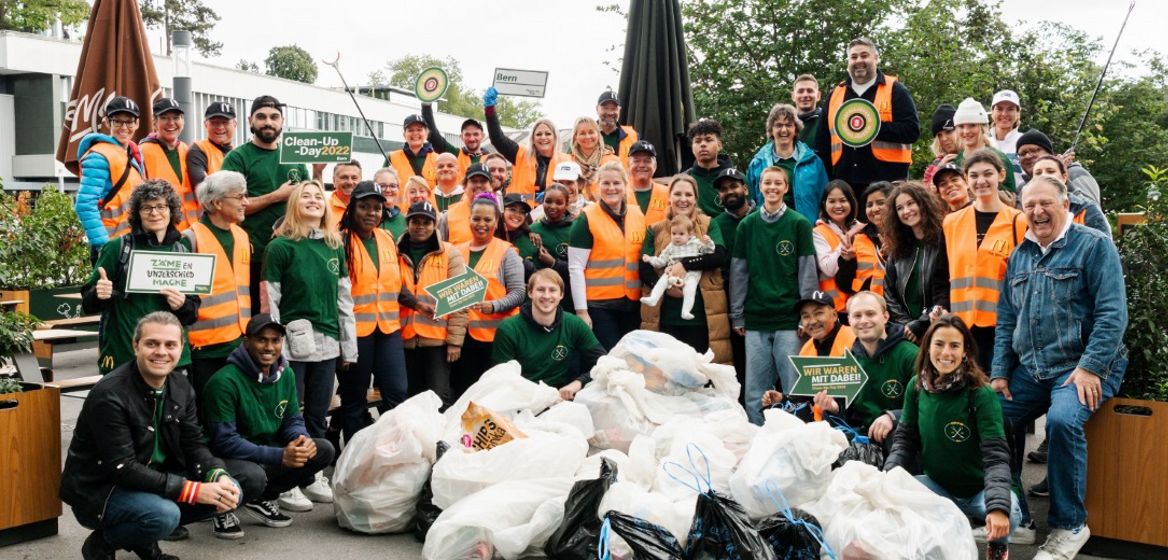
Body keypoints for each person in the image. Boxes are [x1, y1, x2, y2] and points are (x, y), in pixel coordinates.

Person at [992, 175, 1128, 560]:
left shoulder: (1094, 245)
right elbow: (1006, 321)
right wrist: (1000, 372)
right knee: (988, 415)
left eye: (1045, 203)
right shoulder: (1019, 255)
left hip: (1080, 366)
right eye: (1029, 204)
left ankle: (1070, 526)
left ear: (1065, 205)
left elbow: (1113, 313)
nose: (1037, 211)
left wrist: (1091, 368)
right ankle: (1012, 511)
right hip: (1033, 368)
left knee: (1062, 421)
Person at [61, 312, 242, 560]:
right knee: (164, 515)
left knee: (236, 487)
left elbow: (194, 444)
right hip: (100, 490)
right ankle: (103, 542)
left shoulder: (180, 386)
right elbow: (122, 468)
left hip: (152, 477)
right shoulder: (109, 394)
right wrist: (191, 490)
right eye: (151, 343)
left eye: (170, 345)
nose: (161, 352)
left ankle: (144, 539)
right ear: (136, 346)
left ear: (181, 348)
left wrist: (217, 474)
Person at [885, 315, 1021, 560]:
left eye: (954, 345)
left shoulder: (981, 394)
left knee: (1009, 513)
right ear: (927, 348)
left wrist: (998, 507)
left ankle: (998, 545)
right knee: (891, 494)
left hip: (979, 491)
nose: (946, 352)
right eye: (939, 344)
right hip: (938, 487)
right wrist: (887, 480)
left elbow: (996, 456)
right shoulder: (916, 387)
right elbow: (904, 441)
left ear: (965, 351)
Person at [202, 314, 336, 537]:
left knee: (322, 450)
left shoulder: (286, 374)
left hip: (265, 449)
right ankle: (221, 506)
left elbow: (291, 419)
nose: (269, 347)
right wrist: (279, 456)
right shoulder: (224, 382)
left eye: (276, 340)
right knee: (254, 475)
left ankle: (259, 497)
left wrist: (301, 439)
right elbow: (223, 442)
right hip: (227, 457)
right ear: (246, 342)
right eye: (261, 339)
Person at [262, 180, 354, 506]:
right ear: (294, 204)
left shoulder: (334, 244)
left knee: (317, 414)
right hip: (291, 343)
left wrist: (349, 347)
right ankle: (287, 481)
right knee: (290, 413)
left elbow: (344, 299)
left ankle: (312, 474)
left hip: (327, 343)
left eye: (319, 196)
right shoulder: (280, 247)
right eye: (306, 197)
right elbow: (270, 300)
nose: (314, 201)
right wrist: (271, 349)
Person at [83, 180, 200, 374]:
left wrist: (183, 305)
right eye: (147, 208)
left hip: (172, 361)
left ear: (172, 211)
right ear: (138, 213)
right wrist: (98, 293)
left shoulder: (182, 249)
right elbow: (87, 304)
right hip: (125, 358)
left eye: (161, 206)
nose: (154, 213)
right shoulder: (117, 248)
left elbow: (192, 313)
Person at [730, 166, 818, 425]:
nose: (772, 187)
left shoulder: (799, 223)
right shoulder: (747, 225)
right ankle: (758, 437)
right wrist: (737, 315)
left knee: (794, 386)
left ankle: (796, 436)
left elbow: (807, 273)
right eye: (767, 183)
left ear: (786, 188)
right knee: (756, 389)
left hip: (790, 320)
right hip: (756, 319)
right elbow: (739, 273)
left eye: (778, 183)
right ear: (760, 187)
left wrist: (806, 316)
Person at [337, 181, 413, 443]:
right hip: (355, 332)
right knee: (354, 399)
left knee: (397, 392)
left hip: (388, 329)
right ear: (352, 209)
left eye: (377, 208)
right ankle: (356, 459)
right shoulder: (340, 241)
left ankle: (394, 450)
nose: (371, 213)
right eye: (364, 207)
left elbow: (394, 285)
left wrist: (421, 304)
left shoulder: (387, 238)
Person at [221, 95, 313, 311]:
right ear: (250, 121)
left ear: (282, 121)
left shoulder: (295, 156)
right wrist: (277, 196)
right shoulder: (238, 157)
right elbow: (230, 207)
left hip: (293, 253)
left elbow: (309, 203)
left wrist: (317, 172)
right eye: (261, 117)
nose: (268, 122)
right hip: (252, 257)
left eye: (274, 117)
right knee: (257, 318)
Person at [945, 149, 1026, 371]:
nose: (981, 181)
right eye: (974, 175)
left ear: (1000, 175)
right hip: (963, 326)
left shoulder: (1018, 222)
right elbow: (946, 273)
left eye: (987, 174)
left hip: (1001, 327)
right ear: (966, 179)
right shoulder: (951, 222)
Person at [180, 171, 252, 399]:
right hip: (205, 349)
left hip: (239, 344)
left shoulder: (241, 235)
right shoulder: (190, 239)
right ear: (217, 203)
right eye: (239, 197)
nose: (246, 202)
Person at [815, 37, 919, 190]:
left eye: (864, 55)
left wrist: (872, 128)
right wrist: (828, 183)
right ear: (848, 62)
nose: (858, 61)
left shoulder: (895, 90)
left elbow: (911, 131)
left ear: (876, 58)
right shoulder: (835, 94)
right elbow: (822, 144)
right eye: (853, 57)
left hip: (888, 184)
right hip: (845, 186)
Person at [451, 194, 526, 396]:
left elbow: (519, 293)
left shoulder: (507, 252)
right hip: (464, 340)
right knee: (464, 394)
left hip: (498, 340)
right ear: (469, 220)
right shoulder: (456, 252)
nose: (481, 224)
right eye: (476, 218)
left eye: (487, 219)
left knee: (494, 396)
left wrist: (494, 306)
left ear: (496, 222)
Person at [493, 269, 605, 401]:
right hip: (520, 400)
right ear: (530, 293)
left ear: (561, 295)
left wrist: (578, 383)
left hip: (559, 399)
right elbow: (500, 380)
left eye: (552, 290)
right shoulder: (509, 329)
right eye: (540, 290)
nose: (546, 296)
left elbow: (605, 363)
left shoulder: (574, 324)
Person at [569, 163, 645, 350]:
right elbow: (576, 268)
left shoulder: (637, 214)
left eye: (617, 183)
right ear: (597, 186)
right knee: (610, 361)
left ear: (625, 185)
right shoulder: (585, 218)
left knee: (632, 359)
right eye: (606, 183)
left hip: (633, 305)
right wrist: (581, 311)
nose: (611, 188)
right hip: (599, 307)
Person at [399, 201, 467, 409]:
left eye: (426, 222)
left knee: (439, 397)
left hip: (437, 341)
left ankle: (441, 441)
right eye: (415, 221)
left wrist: (455, 342)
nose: (420, 226)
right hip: (403, 338)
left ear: (435, 224)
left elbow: (459, 299)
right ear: (407, 223)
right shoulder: (394, 252)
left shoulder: (450, 253)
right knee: (409, 398)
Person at [759, 291, 857, 413]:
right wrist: (782, 399)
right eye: (806, 316)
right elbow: (804, 398)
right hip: (822, 425)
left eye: (819, 313)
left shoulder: (855, 339)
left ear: (834, 315)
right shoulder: (806, 350)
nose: (812, 321)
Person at [75, 96, 145, 258]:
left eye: (129, 121)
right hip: (111, 245)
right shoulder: (98, 156)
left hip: (132, 241)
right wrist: (103, 246)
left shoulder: (133, 154)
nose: (124, 127)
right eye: (117, 121)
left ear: (137, 123)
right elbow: (84, 205)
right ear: (107, 122)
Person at [882, 181, 951, 343]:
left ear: (923, 203)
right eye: (899, 208)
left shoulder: (944, 241)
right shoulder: (897, 249)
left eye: (910, 203)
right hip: (905, 332)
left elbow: (946, 289)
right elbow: (888, 293)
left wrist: (922, 323)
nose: (906, 211)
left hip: (937, 327)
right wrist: (908, 325)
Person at [746, 103, 829, 222]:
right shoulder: (757, 164)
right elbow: (750, 203)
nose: (783, 130)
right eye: (778, 125)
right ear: (771, 131)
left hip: (807, 229)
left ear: (796, 130)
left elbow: (825, 200)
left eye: (789, 125)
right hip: (769, 228)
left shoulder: (814, 162)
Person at [484, 87, 568, 203]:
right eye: (538, 134)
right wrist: (490, 109)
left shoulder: (566, 160)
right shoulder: (521, 154)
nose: (543, 137)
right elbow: (497, 139)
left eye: (548, 134)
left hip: (552, 214)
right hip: (520, 214)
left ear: (555, 138)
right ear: (533, 139)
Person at [711, 168, 755, 384]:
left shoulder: (762, 216)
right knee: (738, 357)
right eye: (724, 189)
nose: (729, 192)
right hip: (731, 297)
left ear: (745, 189)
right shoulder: (716, 224)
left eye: (734, 186)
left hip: (761, 295)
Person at [640, 214, 715, 320]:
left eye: (681, 234)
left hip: (691, 275)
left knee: (690, 289)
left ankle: (686, 310)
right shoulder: (670, 247)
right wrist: (650, 259)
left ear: (690, 234)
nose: (677, 236)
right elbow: (661, 261)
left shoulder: (695, 243)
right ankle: (653, 298)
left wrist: (709, 243)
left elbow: (709, 252)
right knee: (662, 280)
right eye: (673, 233)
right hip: (672, 273)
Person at [140, 98, 199, 229]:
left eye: (176, 117)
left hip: (192, 230)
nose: (171, 123)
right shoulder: (143, 152)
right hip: (161, 231)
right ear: (154, 122)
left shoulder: (186, 149)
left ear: (183, 121)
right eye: (165, 118)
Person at [812, 179, 864, 318]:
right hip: (836, 308)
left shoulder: (863, 229)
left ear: (851, 202)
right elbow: (829, 269)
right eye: (832, 201)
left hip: (863, 304)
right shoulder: (818, 232)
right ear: (824, 204)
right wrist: (848, 237)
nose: (838, 205)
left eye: (843, 200)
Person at [1027, 155, 1111, 237]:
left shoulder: (1086, 208)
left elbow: (1103, 247)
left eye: (1050, 171)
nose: (1044, 175)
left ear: (1064, 177)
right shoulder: (1027, 212)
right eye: (1038, 173)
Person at [1015, 129, 1102, 207]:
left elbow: (1092, 209)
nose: (1028, 156)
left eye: (1034, 150)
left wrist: (1059, 176)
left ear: (1050, 154)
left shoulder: (1076, 173)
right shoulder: (1022, 188)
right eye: (1022, 153)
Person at [952, 98, 1017, 194]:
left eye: (972, 125)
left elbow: (1011, 196)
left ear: (982, 128)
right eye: (961, 126)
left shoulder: (1000, 158)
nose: (966, 131)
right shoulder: (956, 161)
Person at [837, 181, 890, 297]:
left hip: (897, 310)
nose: (874, 209)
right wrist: (848, 262)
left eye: (881, 203)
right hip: (866, 308)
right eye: (869, 205)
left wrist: (891, 257)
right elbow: (845, 286)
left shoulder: (906, 236)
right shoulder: (858, 238)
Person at [530, 183, 576, 311]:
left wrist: (553, 263)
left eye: (559, 203)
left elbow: (579, 270)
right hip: (540, 296)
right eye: (548, 201)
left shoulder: (576, 229)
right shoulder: (533, 230)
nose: (552, 206)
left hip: (568, 297)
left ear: (567, 204)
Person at [421, 102, 490, 183]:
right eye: (467, 134)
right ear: (461, 137)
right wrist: (426, 106)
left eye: (475, 134)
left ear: (482, 136)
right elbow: (433, 136)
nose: (471, 138)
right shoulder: (454, 153)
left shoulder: (491, 159)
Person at [684, 118, 734, 217]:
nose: (702, 144)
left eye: (708, 140)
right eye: (697, 141)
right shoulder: (684, 180)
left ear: (719, 145)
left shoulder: (737, 179)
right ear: (692, 147)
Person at [438, 163, 495, 246]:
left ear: (491, 186)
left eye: (483, 181)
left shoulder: (499, 215)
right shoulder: (448, 217)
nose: (478, 185)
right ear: (464, 186)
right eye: (474, 181)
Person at [187, 101, 236, 189]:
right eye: (215, 122)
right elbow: (205, 189)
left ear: (235, 124)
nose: (220, 127)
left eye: (225, 122)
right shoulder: (198, 150)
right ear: (206, 124)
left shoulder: (238, 152)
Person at [569, 116, 620, 197]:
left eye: (591, 132)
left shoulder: (613, 161)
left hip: (605, 207)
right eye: (582, 133)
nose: (587, 137)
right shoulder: (569, 162)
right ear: (576, 137)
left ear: (598, 134)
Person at [385, 113, 437, 187]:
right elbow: (382, 186)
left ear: (426, 133)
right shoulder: (392, 158)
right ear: (404, 135)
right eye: (410, 130)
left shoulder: (437, 159)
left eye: (419, 130)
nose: (415, 133)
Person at [625, 141, 669, 226]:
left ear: (655, 166)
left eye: (647, 161)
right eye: (636, 161)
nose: (642, 165)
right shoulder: (619, 194)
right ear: (628, 165)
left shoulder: (668, 194)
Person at [990, 90, 1025, 185]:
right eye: (999, 109)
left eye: (1010, 109)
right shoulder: (983, 141)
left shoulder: (1025, 141)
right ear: (992, 112)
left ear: (1018, 113)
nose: (1004, 114)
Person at [500, 193, 540, 277]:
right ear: (502, 210)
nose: (517, 215)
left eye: (522, 212)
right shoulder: (490, 237)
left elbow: (538, 275)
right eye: (512, 209)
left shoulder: (531, 240)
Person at [596, 90, 639, 168]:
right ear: (596, 109)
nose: (610, 112)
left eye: (614, 108)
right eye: (605, 108)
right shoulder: (584, 134)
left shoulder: (633, 136)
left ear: (619, 110)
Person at [922, 104, 958, 188]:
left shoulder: (973, 154)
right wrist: (939, 169)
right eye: (939, 135)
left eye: (948, 132)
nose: (944, 139)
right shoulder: (933, 167)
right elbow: (926, 197)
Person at [372, 168, 407, 239]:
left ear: (398, 189)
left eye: (392, 186)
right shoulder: (367, 218)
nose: (388, 190)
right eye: (382, 186)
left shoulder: (405, 221)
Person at [326, 159, 362, 226]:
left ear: (361, 180)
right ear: (334, 181)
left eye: (354, 178)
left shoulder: (368, 209)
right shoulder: (324, 208)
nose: (349, 182)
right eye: (344, 177)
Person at [792, 74, 822, 147]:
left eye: (810, 91)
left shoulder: (827, 121)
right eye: (800, 91)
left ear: (818, 96)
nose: (805, 95)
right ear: (793, 96)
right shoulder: (782, 123)